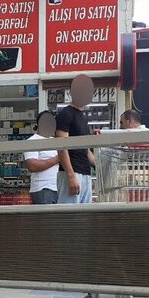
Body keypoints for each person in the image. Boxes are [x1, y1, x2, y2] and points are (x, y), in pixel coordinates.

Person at [55, 74, 95, 204]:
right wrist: (71, 175)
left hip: (85, 173)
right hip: (71, 173)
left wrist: (100, 166)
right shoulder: (65, 114)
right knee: (68, 214)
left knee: (84, 214)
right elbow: (61, 146)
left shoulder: (82, 117)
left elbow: (86, 149)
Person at [24, 111, 60, 205]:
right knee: (46, 215)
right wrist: (57, 159)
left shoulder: (56, 141)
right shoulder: (32, 141)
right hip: (43, 188)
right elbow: (32, 166)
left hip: (58, 187)